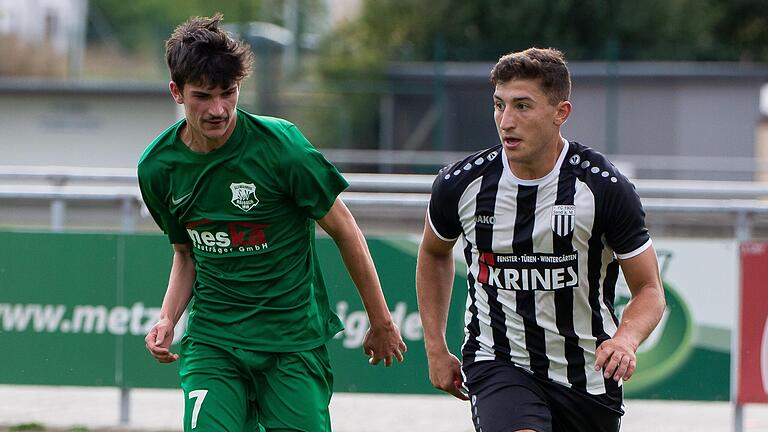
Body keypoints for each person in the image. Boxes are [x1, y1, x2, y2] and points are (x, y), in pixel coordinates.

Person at [137, 14, 406, 432]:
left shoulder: (282, 148)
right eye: (203, 96)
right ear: (176, 92)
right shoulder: (158, 167)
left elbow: (345, 229)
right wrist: (168, 318)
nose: (218, 109)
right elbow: (186, 252)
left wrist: (381, 319)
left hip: (292, 342)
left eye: (228, 93)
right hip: (214, 342)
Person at [416, 47, 666, 432]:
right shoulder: (461, 184)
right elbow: (434, 253)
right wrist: (435, 346)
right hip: (498, 360)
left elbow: (650, 289)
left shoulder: (603, 188)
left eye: (522, 106)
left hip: (587, 374)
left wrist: (626, 339)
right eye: (499, 105)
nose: (506, 121)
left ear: (560, 113)